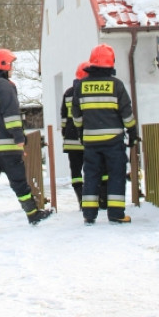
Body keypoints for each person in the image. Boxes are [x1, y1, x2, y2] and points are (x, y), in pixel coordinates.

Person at [0, 48, 51, 231]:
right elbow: (11, 114)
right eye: (12, 65)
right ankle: (33, 215)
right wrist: (19, 137)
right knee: (19, 182)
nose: (13, 69)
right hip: (7, 147)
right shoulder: (5, 86)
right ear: (4, 65)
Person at [71, 44, 138, 225]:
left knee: (91, 176)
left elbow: (76, 115)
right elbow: (126, 112)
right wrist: (132, 132)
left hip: (91, 141)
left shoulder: (81, 86)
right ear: (111, 63)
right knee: (116, 175)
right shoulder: (116, 85)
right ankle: (116, 214)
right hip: (113, 141)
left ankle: (89, 214)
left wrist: (81, 131)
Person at [61, 61, 94, 207]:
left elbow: (63, 117)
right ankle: (94, 198)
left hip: (71, 138)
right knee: (92, 168)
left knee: (75, 171)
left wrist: (65, 132)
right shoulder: (89, 91)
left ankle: (81, 198)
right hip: (87, 138)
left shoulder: (68, 93)